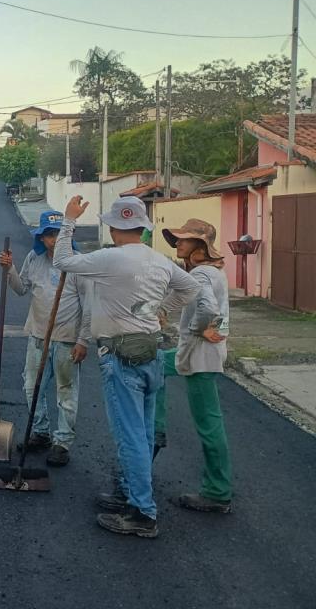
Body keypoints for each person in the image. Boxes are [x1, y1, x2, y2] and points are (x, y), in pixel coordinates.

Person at [54, 195, 200, 539]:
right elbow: (191, 288)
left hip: (121, 357)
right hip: (150, 353)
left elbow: (62, 259)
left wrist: (69, 219)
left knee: (130, 436)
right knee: (144, 433)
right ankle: (131, 495)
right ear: (141, 226)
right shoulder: (158, 260)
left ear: (115, 226)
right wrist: (161, 308)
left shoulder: (110, 258)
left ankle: (142, 513)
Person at [0, 210, 90, 467]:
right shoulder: (34, 259)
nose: (53, 239)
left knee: (66, 391)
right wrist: (9, 269)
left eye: (58, 234)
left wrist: (84, 340)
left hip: (67, 339)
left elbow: (89, 305)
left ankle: (62, 442)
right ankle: (41, 432)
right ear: (41, 237)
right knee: (31, 387)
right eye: (49, 234)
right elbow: (20, 289)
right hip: (38, 336)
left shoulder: (78, 263)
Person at [161, 218, 233, 514]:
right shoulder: (208, 273)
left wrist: (199, 328)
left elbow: (207, 309)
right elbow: (186, 298)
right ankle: (154, 431)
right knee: (153, 365)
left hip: (200, 356)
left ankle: (217, 491)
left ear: (200, 246)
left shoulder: (203, 274)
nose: (177, 243)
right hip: (194, 352)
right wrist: (163, 310)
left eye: (184, 239)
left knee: (209, 424)